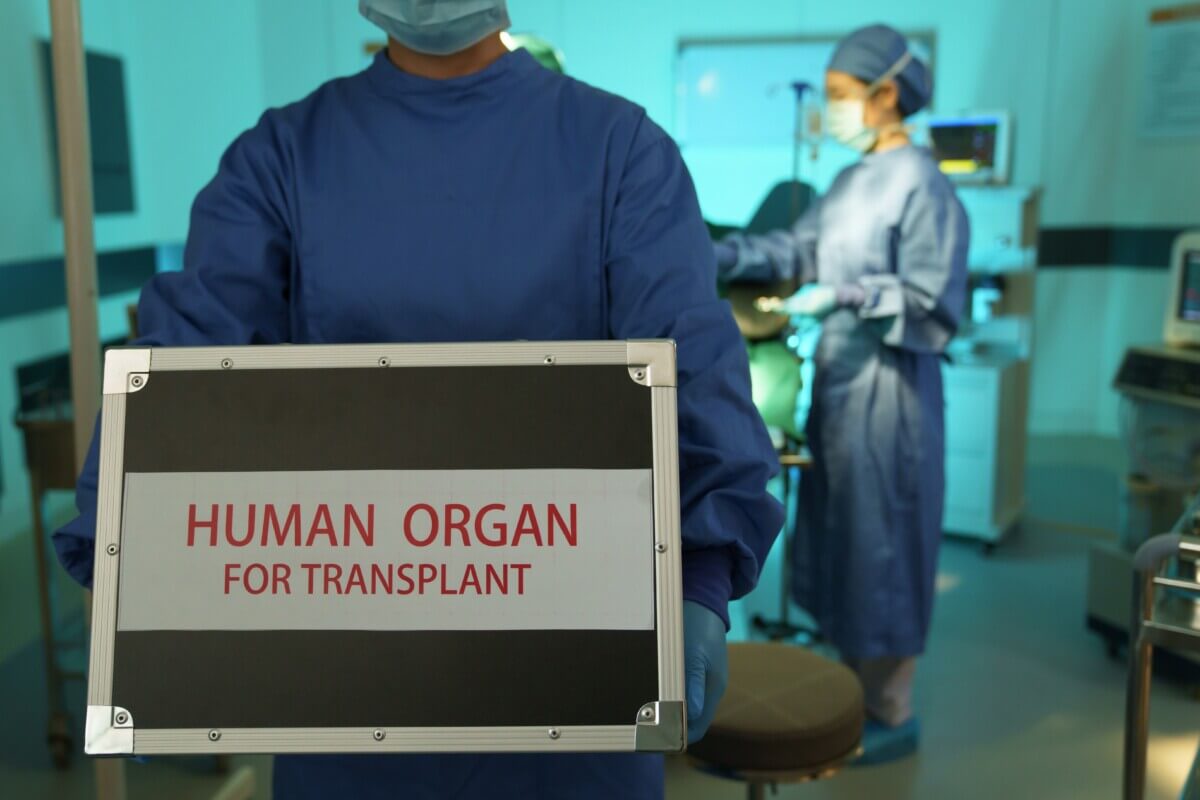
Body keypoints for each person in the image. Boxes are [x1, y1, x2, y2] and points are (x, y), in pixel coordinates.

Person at [53, 2, 782, 798]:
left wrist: (703, 577)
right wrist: (142, 584)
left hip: (575, 695)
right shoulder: (280, 162)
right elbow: (182, 377)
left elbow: (691, 368)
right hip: (347, 683)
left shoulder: (620, 153)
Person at [715, 24, 969, 764]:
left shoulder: (925, 185)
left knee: (886, 542)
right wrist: (722, 250)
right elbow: (796, 249)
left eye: (838, 97)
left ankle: (890, 709)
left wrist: (849, 294)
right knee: (842, 537)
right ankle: (847, 686)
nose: (830, 113)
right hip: (839, 385)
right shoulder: (853, 182)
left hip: (893, 391)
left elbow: (934, 302)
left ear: (885, 95)